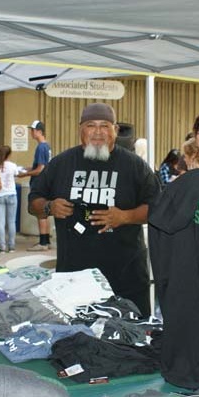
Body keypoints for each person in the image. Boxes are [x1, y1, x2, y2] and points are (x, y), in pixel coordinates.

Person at [29, 103, 159, 316]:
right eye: (91, 125)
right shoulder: (61, 164)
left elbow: (157, 209)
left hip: (126, 279)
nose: (98, 132)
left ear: (115, 130)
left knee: (132, 341)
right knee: (79, 341)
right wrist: (49, 206)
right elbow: (33, 202)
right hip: (73, 279)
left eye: (105, 126)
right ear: (81, 129)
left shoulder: (135, 166)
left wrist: (125, 216)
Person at [21, 120, 52, 251]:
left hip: (40, 184)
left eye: (33, 130)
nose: (31, 133)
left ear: (39, 131)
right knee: (45, 212)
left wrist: (24, 174)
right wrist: (27, 168)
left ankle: (43, 243)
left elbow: (40, 169)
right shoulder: (46, 146)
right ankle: (46, 240)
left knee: (40, 213)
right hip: (47, 183)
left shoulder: (40, 147)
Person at [0, 145, 26, 253]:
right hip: (11, 194)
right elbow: (18, 174)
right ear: (9, 155)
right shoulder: (12, 165)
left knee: (0, 222)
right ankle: (11, 246)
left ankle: (2, 247)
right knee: (12, 221)